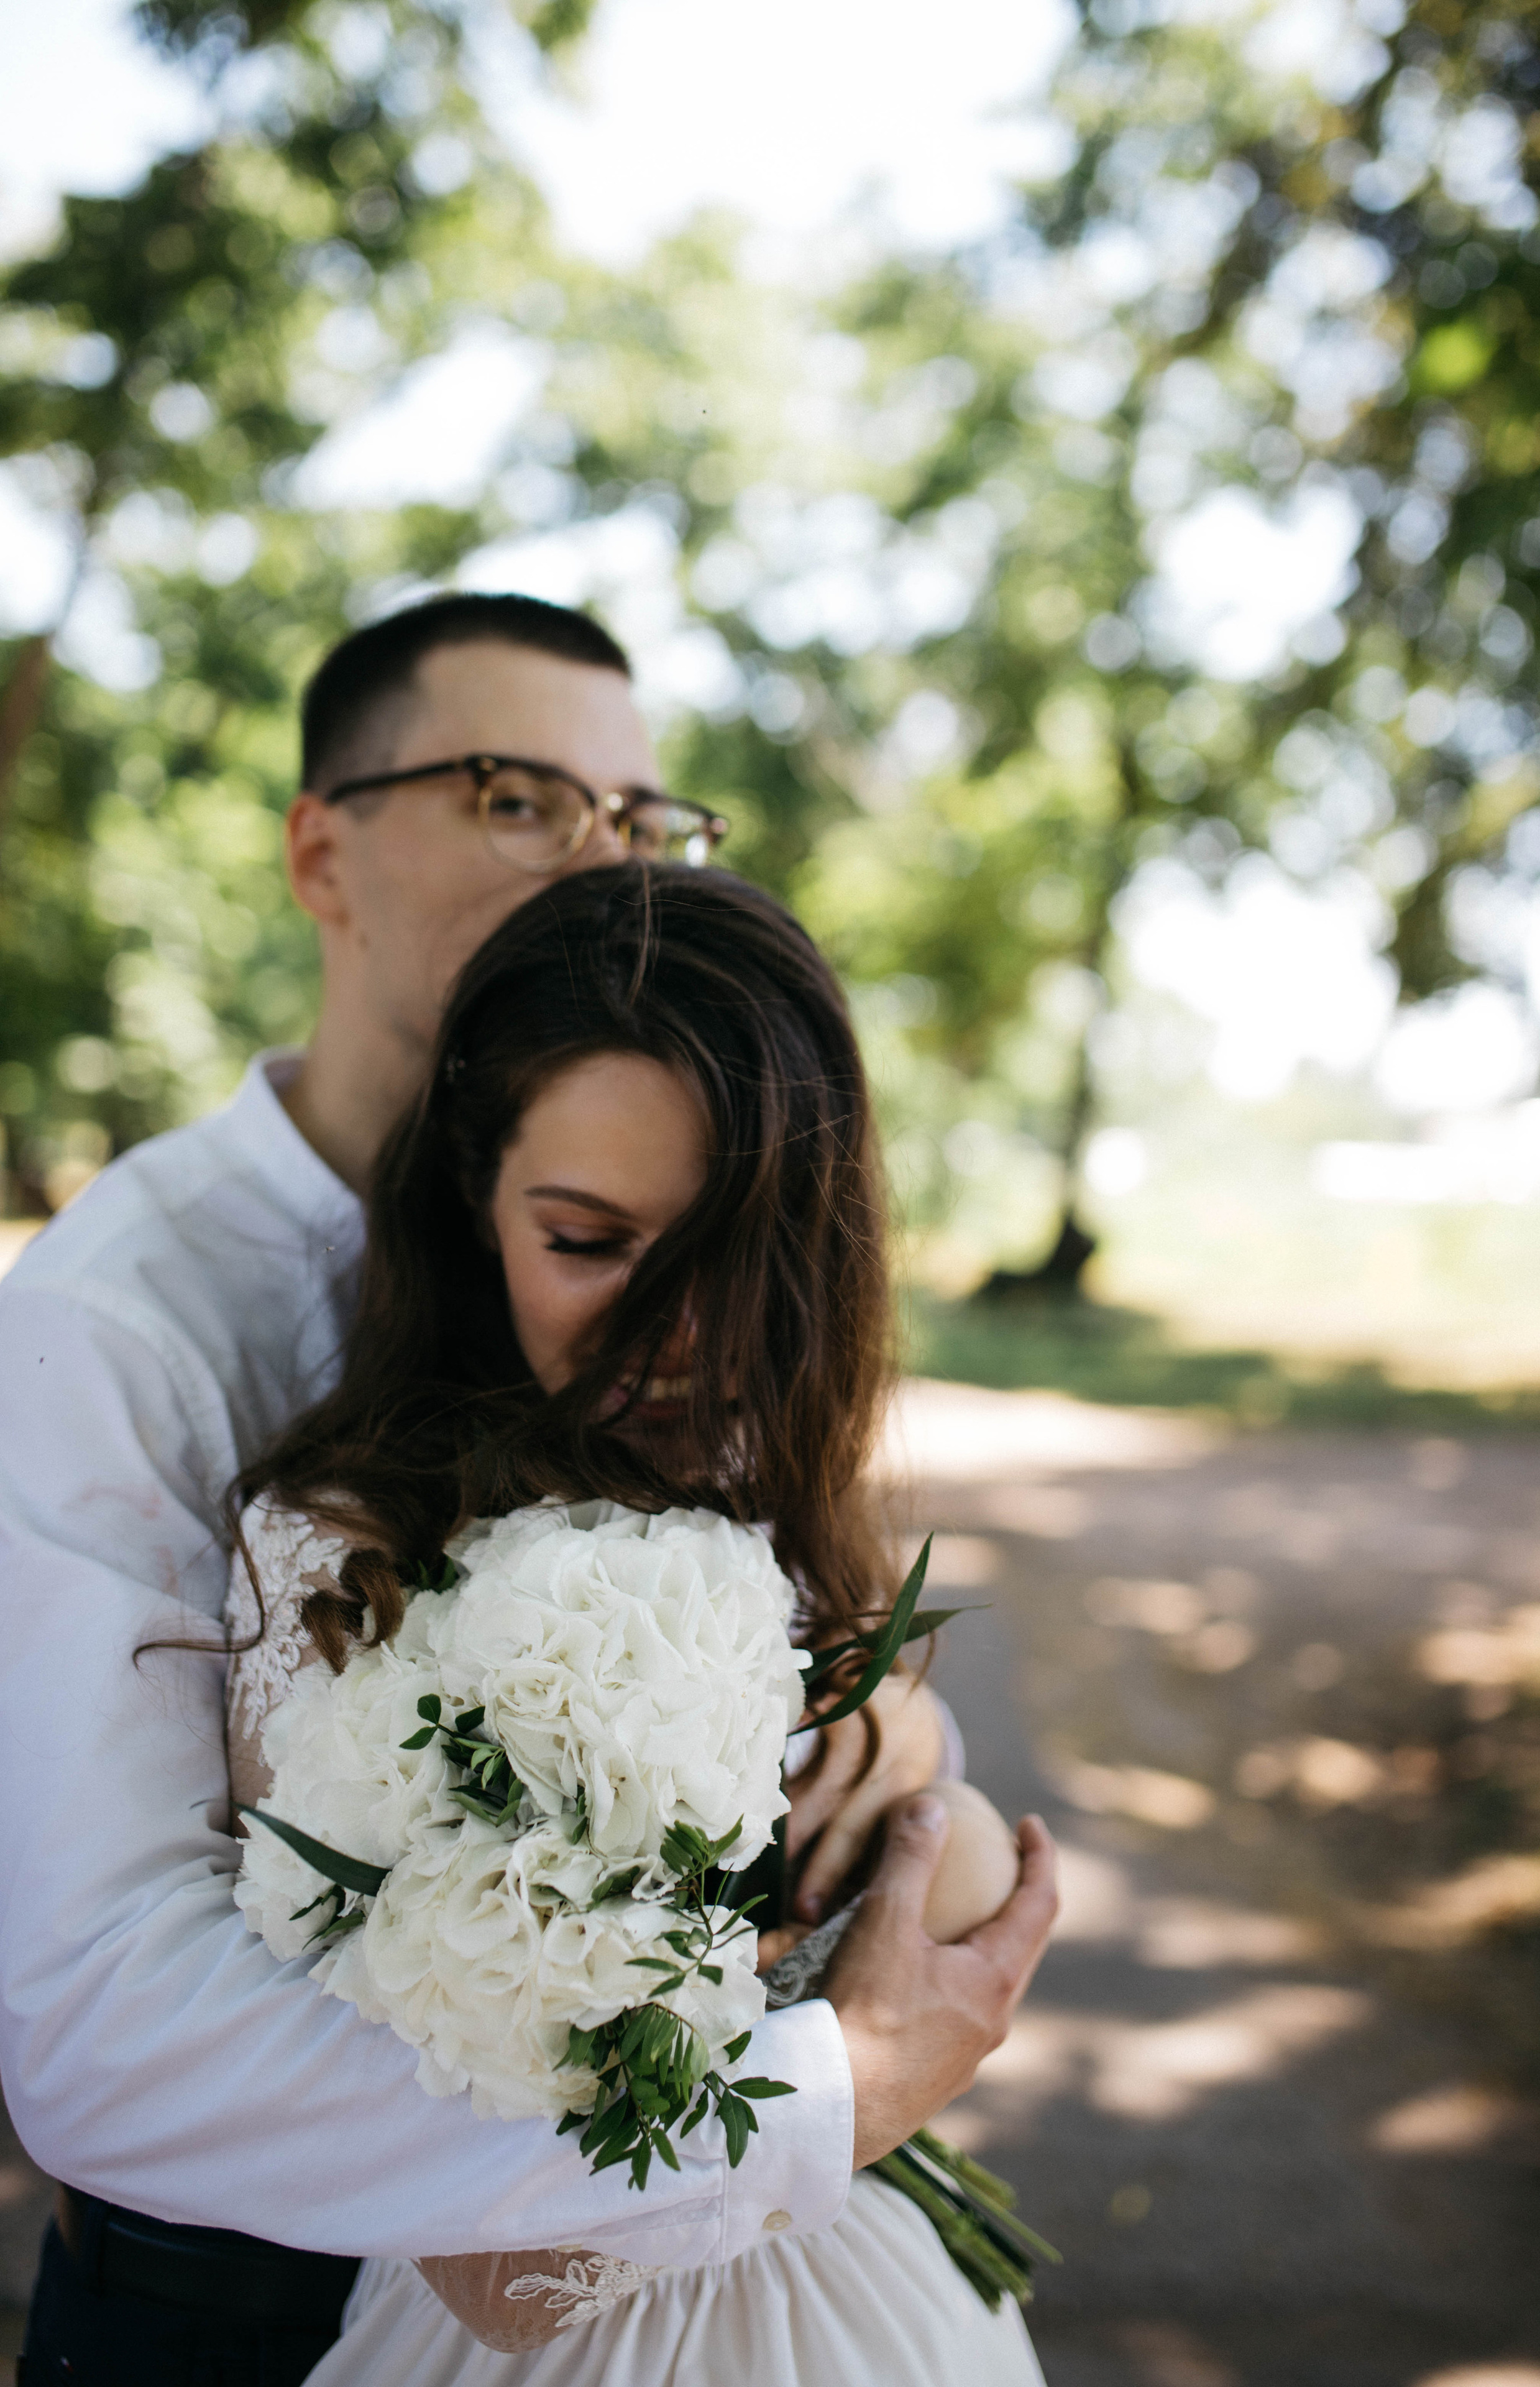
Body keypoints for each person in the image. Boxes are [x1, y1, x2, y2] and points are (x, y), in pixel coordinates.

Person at [0, 592, 1058, 2385]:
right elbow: (103, 2020)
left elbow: (822, 1646)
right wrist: (813, 2103)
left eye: (639, 820)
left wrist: (887, 1757)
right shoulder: (112, 1327)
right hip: (245, 2309)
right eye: (517, 796)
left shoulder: (676, 1260)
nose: (598, 861)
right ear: (320, 854)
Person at [222, 858, 1052, 2382]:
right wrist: (857, 2086)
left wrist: (907, 1753)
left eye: (733, 1260)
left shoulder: (759, 1472)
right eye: (589, 1243)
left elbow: (875, 1864)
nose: (675, 1338)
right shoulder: (350, 1563)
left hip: (883, 2308)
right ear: (476, 1210)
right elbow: (497, 2277)